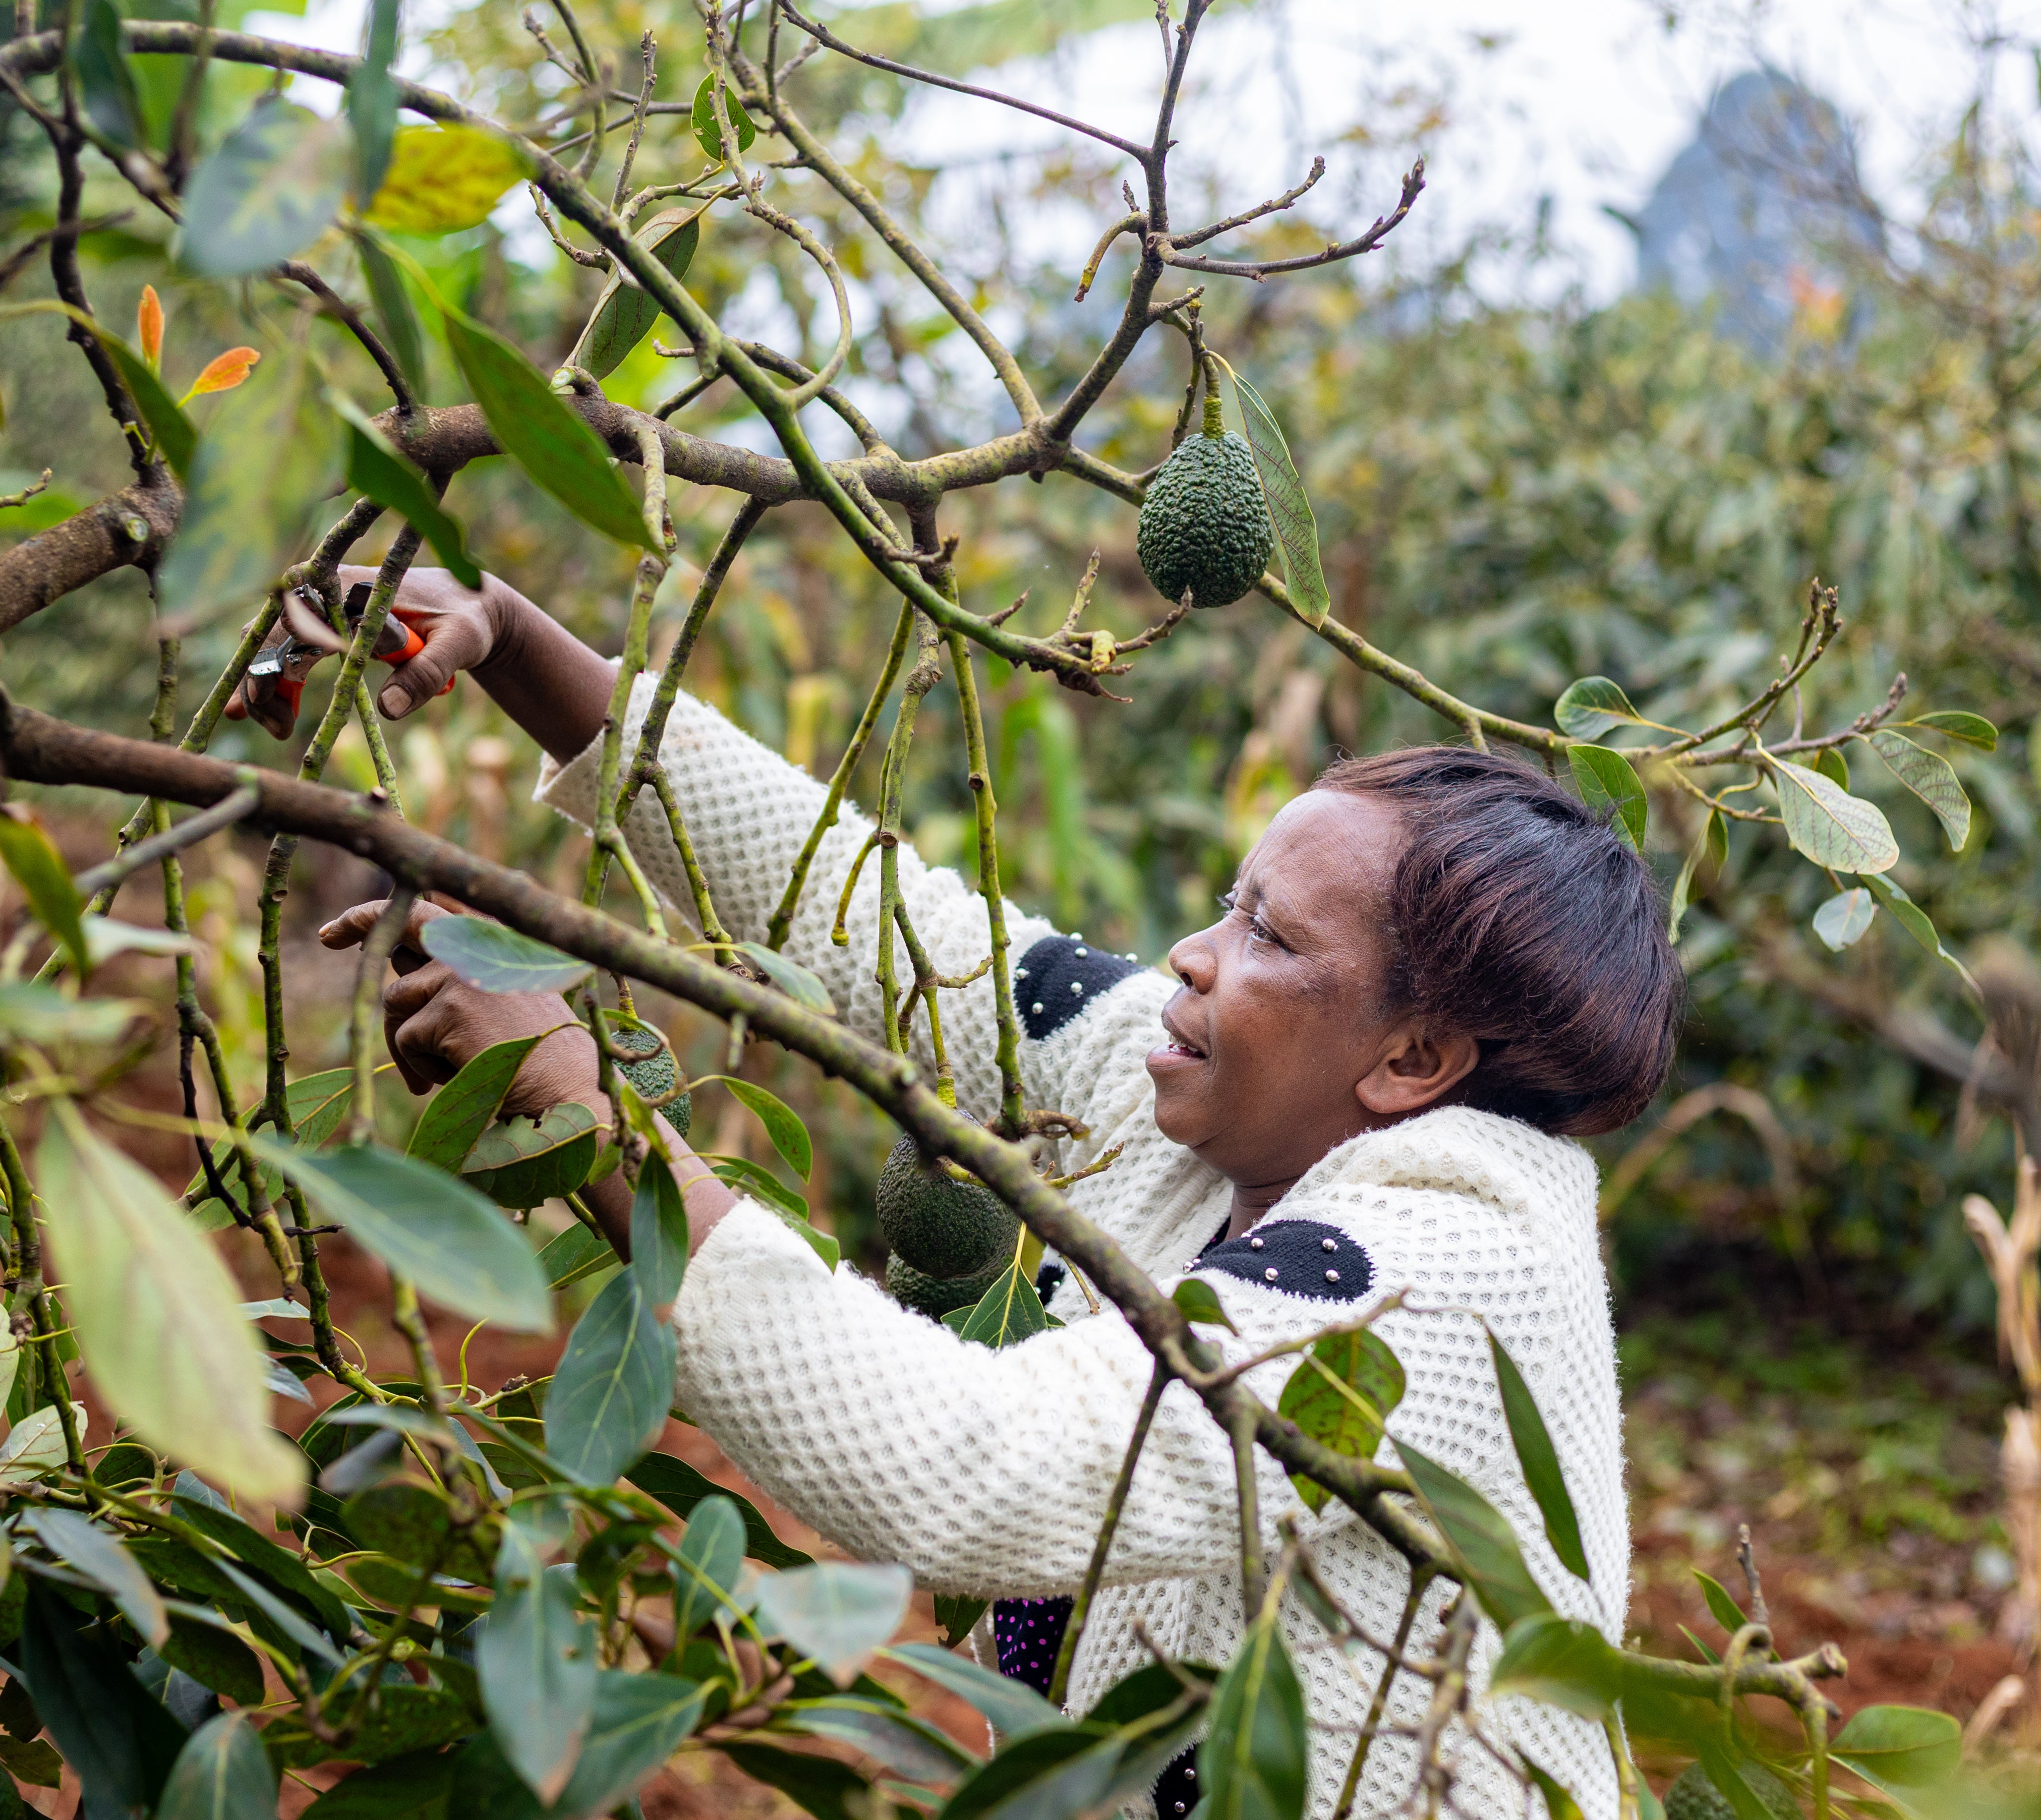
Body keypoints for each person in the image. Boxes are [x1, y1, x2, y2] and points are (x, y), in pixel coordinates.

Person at [308, 563, 1683, 1818]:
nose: (1194, 953)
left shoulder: (1438, 1276)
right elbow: (872, 917)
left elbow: (964, 1462)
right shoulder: (1219, 1108)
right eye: (1231, 900)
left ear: (1416, 1058)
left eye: (1269, 935)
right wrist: (513, 636)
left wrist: (584, 1102)